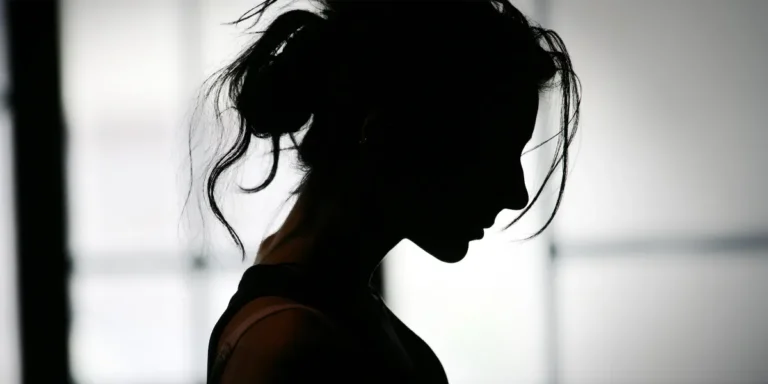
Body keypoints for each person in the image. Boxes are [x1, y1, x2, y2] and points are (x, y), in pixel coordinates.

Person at [197, 0, 581, 382]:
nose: (517, 194)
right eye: (493, 156)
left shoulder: (324, 314)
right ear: (385, 134)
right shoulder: (288, 346)